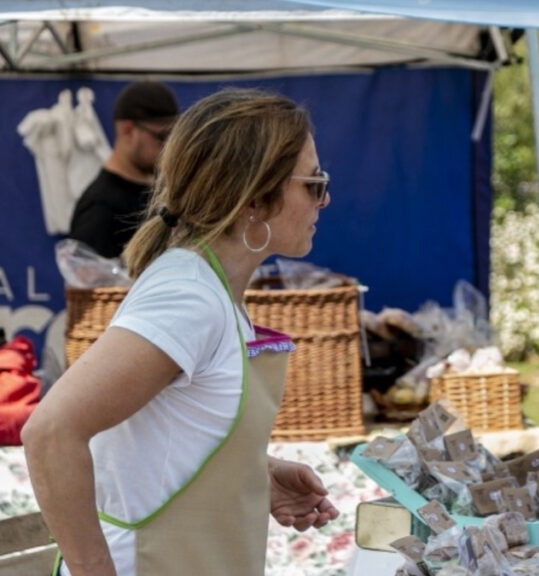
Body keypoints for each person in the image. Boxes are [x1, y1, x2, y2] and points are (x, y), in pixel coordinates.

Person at [23, 88, 338, 576]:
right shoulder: (188, 297)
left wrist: (253, 474)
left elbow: (161, 439)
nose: (325, 197)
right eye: (313, 183)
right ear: (255, 197)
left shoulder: (211, 289)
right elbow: (50, 432)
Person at [68, 81, 179, 259]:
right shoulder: (100, 207)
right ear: (128, 131)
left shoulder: (160, 192)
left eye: (173, 137)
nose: (168, 147)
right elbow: (87, 281)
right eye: (162, 137)